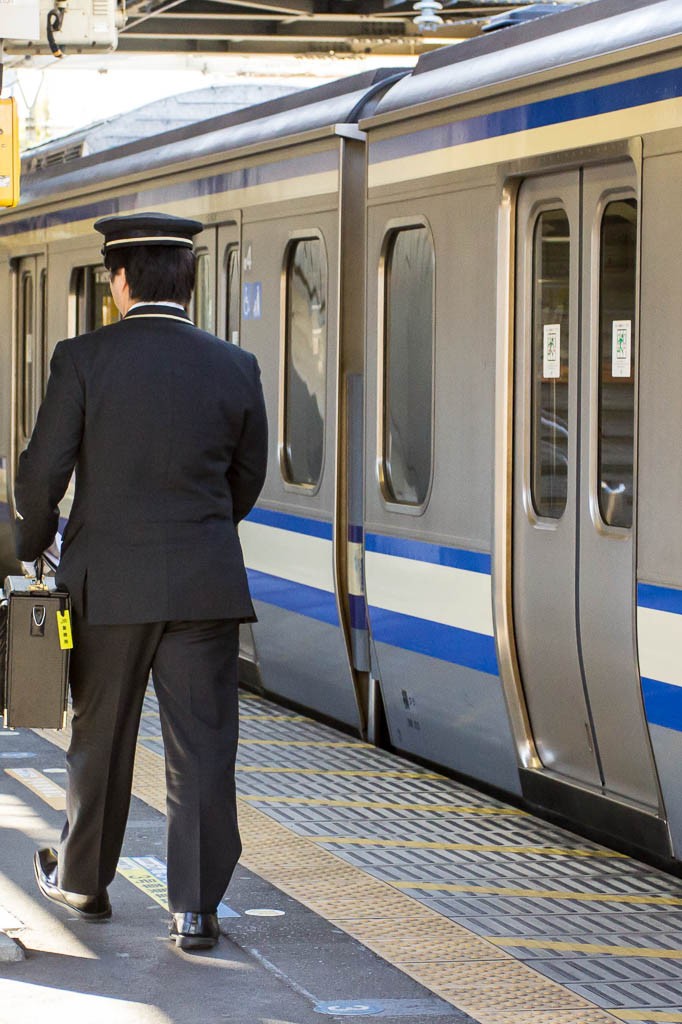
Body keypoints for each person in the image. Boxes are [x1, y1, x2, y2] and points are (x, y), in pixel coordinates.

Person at [13, 212, 268, 950]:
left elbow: (42, 471)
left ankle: (85, 882)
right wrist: (202, 534)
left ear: (119, 281)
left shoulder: (83, 358)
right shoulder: (234, 365)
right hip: (204, 585)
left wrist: (32, 547)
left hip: (108, 585)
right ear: (187, 280)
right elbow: (243, 481)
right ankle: (194, 910)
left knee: (101, 738)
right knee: (203, 746)